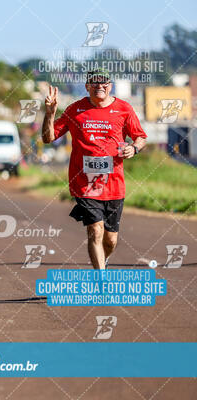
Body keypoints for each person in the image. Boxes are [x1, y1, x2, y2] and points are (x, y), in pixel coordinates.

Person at [41, 69, 147, 270]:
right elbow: (48, 138)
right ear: (87, 86)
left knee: (110, 240)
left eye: (104, 83)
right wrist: (50, 114)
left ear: (110, 86)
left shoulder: (124, 109)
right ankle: (100, 279)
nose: (100, 86)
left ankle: (102, 262)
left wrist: (133, 148)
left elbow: (140, 137)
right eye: (95, 83)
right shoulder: (75, 110)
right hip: (84, 183)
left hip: (114, 184)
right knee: (95, 230)